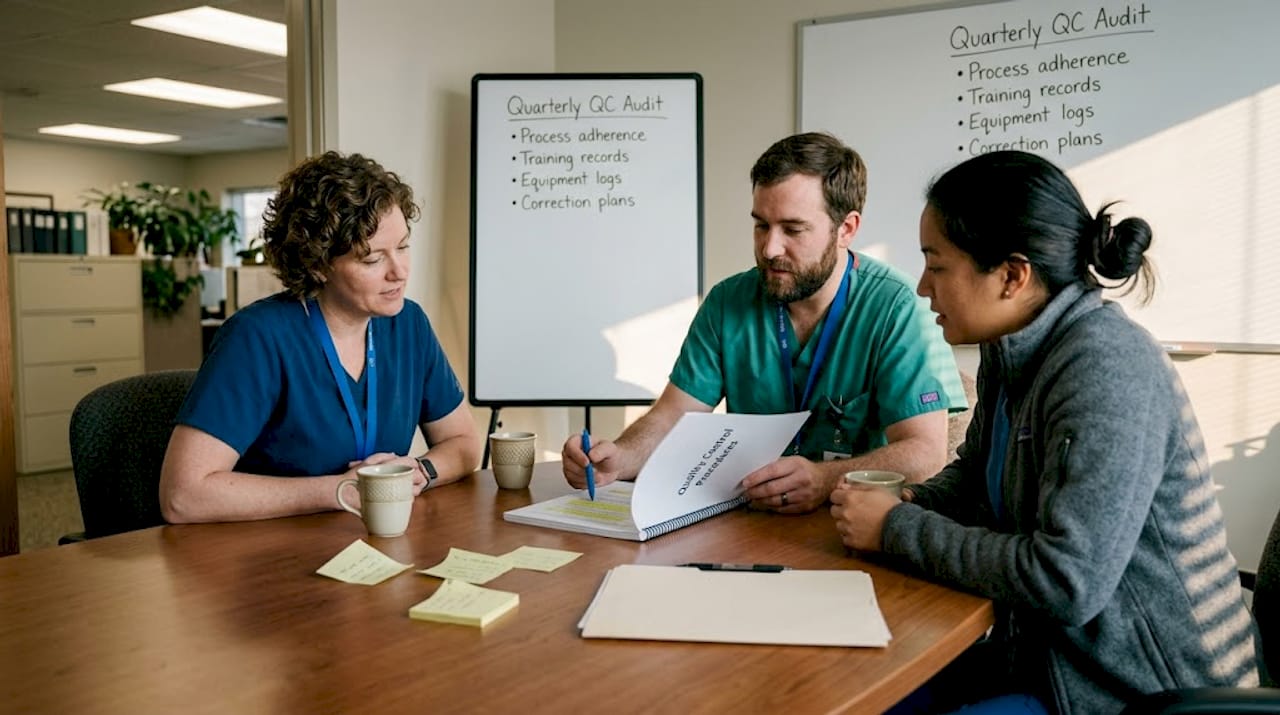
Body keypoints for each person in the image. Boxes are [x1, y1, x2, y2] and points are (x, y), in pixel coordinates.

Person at [831, 150, 1259, 713]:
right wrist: (910, 498)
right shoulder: (1010, 347)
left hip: (1133, 691)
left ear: (1012, 275)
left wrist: (895, 528)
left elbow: (1066, 581)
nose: (921, 287)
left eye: (936, 265)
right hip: (1045, 656)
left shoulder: (1106, 366)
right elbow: (978, 475)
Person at [562, 132, 966, 512]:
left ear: (846, 229)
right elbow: (672, 417)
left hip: (851, 521)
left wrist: (824, 479)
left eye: (793, 229)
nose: (770, 248)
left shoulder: (896, 307)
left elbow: (924, 454)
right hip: (746, 517)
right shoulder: (727, 302)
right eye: (761, 225)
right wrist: (620, 455)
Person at [160, 151, 481, 523]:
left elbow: (464, 445)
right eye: (372, 258)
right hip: (266, 554)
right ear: (318, 263)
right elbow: (182, 496)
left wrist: (419, 471)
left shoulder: (408, 324)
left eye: (403, 246)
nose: (400, 272)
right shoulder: (257, 337)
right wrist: (340, 490)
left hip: (368, 545)